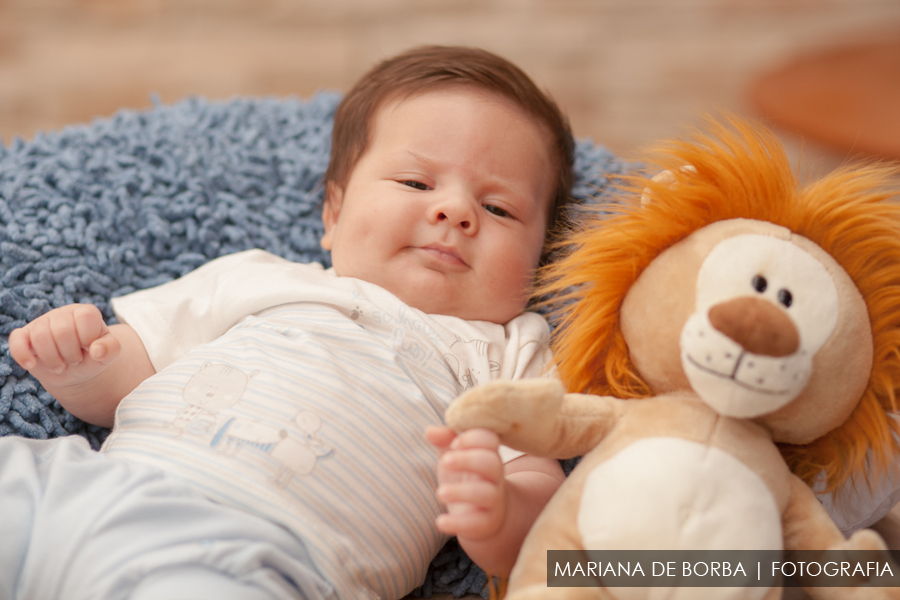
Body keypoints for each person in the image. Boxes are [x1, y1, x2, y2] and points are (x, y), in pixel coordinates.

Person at [4, 45, 573, 600]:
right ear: (334, 212)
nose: (455, 211)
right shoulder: (261, 278)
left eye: (499, 208)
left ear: (540, 258)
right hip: (96, 485)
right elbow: (127, 375)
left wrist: (499, 512)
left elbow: (542, 498)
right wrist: (78, 364)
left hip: (256, 553)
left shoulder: (506, 351)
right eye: (416, 184)